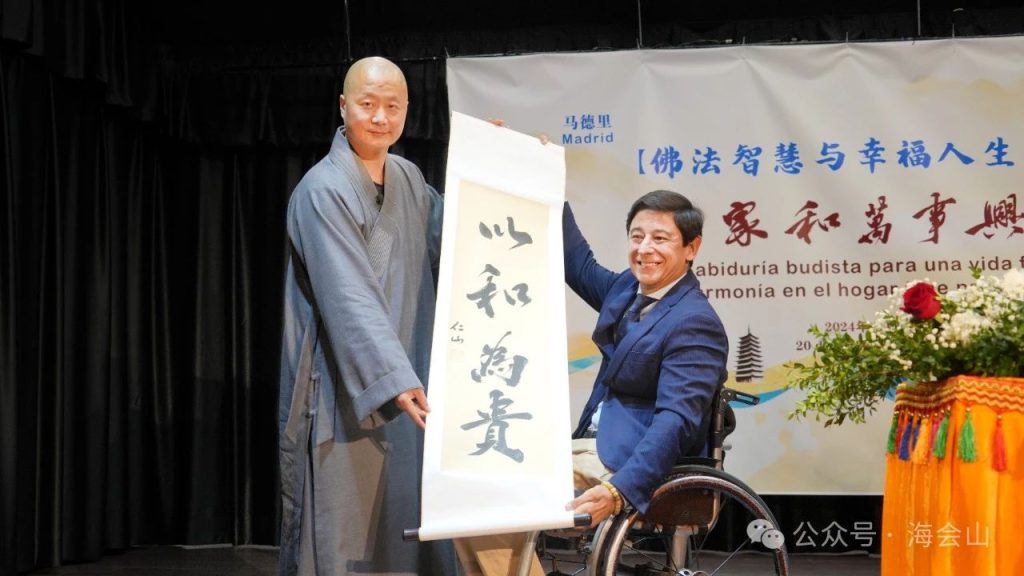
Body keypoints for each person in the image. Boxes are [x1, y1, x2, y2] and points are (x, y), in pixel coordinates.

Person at [456, 189, 728, 575]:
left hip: (628, 460)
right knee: (468, 482)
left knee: (487, 492)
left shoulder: (694, 322)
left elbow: (677, 420)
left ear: (691, 248)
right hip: (591, 446)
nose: (645, 249)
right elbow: (576, 262)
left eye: (660, 238)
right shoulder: (626, 289)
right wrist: (549, 184)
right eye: (637, 236)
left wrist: (620, 490)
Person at [277, 56, 454, 576]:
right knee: (345, 535)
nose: (380, 117)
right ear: (343, 106)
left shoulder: (409, 178)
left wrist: (492, 166)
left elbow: (458, 230)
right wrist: (392, 378)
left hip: (408, 379)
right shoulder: (321, 190)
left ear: (407, 111)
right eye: (368, 104)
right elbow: (348, 295)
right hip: (347, 386)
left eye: (392, 106)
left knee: (407, 525)